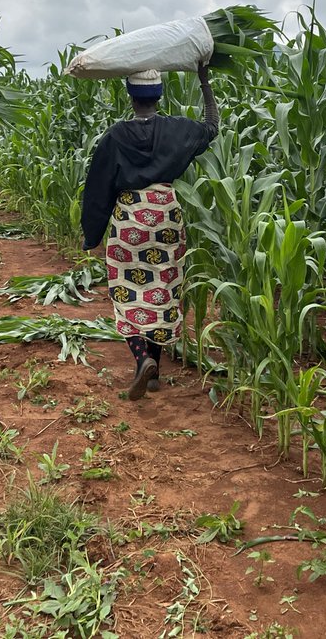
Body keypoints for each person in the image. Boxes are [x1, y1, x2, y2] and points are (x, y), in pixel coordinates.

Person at [81, 64, 219, 400]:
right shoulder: (177, 130)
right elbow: (211, 126)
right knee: (163, 285)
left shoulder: (115, 136)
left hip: (130, 218)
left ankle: (142, 359)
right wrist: (204, 81)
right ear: (159, 95)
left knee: (128, 290)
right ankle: (154, 369)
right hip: (165, 213)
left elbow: (98, 189)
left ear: (131, 96)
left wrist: (92, 235)